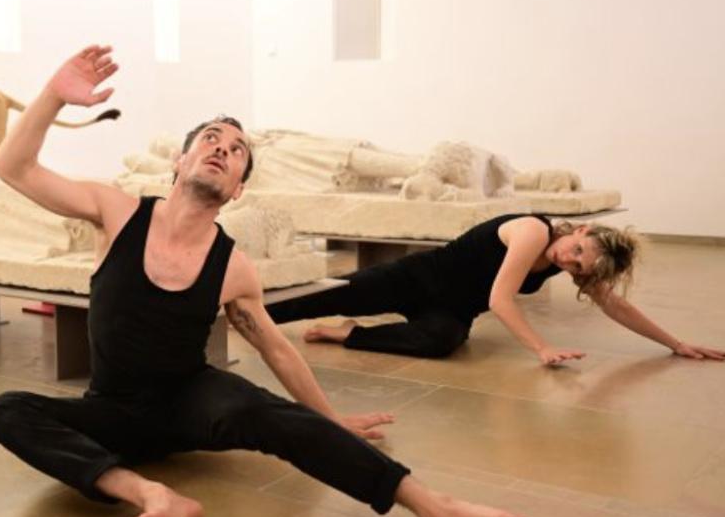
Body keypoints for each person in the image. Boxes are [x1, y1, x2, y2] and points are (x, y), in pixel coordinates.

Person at [0, 45, 534, 517]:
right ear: (180, 161)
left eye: (237, 149)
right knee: (7, 410)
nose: (223, 148)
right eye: (211, 139)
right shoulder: (116, 211)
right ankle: (153, 495)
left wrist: (331, 419)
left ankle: (437, 506)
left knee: (267, 412)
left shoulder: (233, 267)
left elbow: (277, 349)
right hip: (111, 408)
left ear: (239, 190)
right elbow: (13, 166)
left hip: (189, 401)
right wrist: (54, 94)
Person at [267, 215, 724, 365]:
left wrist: (676, 343)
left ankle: (348, 334)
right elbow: (499, 300)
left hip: (450, 309)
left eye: (582, 265)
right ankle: (238, 314)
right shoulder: (531, 231)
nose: (571, 261)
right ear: (580, 229)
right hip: (412, 278)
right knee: (315, 296)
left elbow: (616, 306)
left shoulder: (572, 261)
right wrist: (541, 347)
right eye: (578, 249)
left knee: (442, 341)